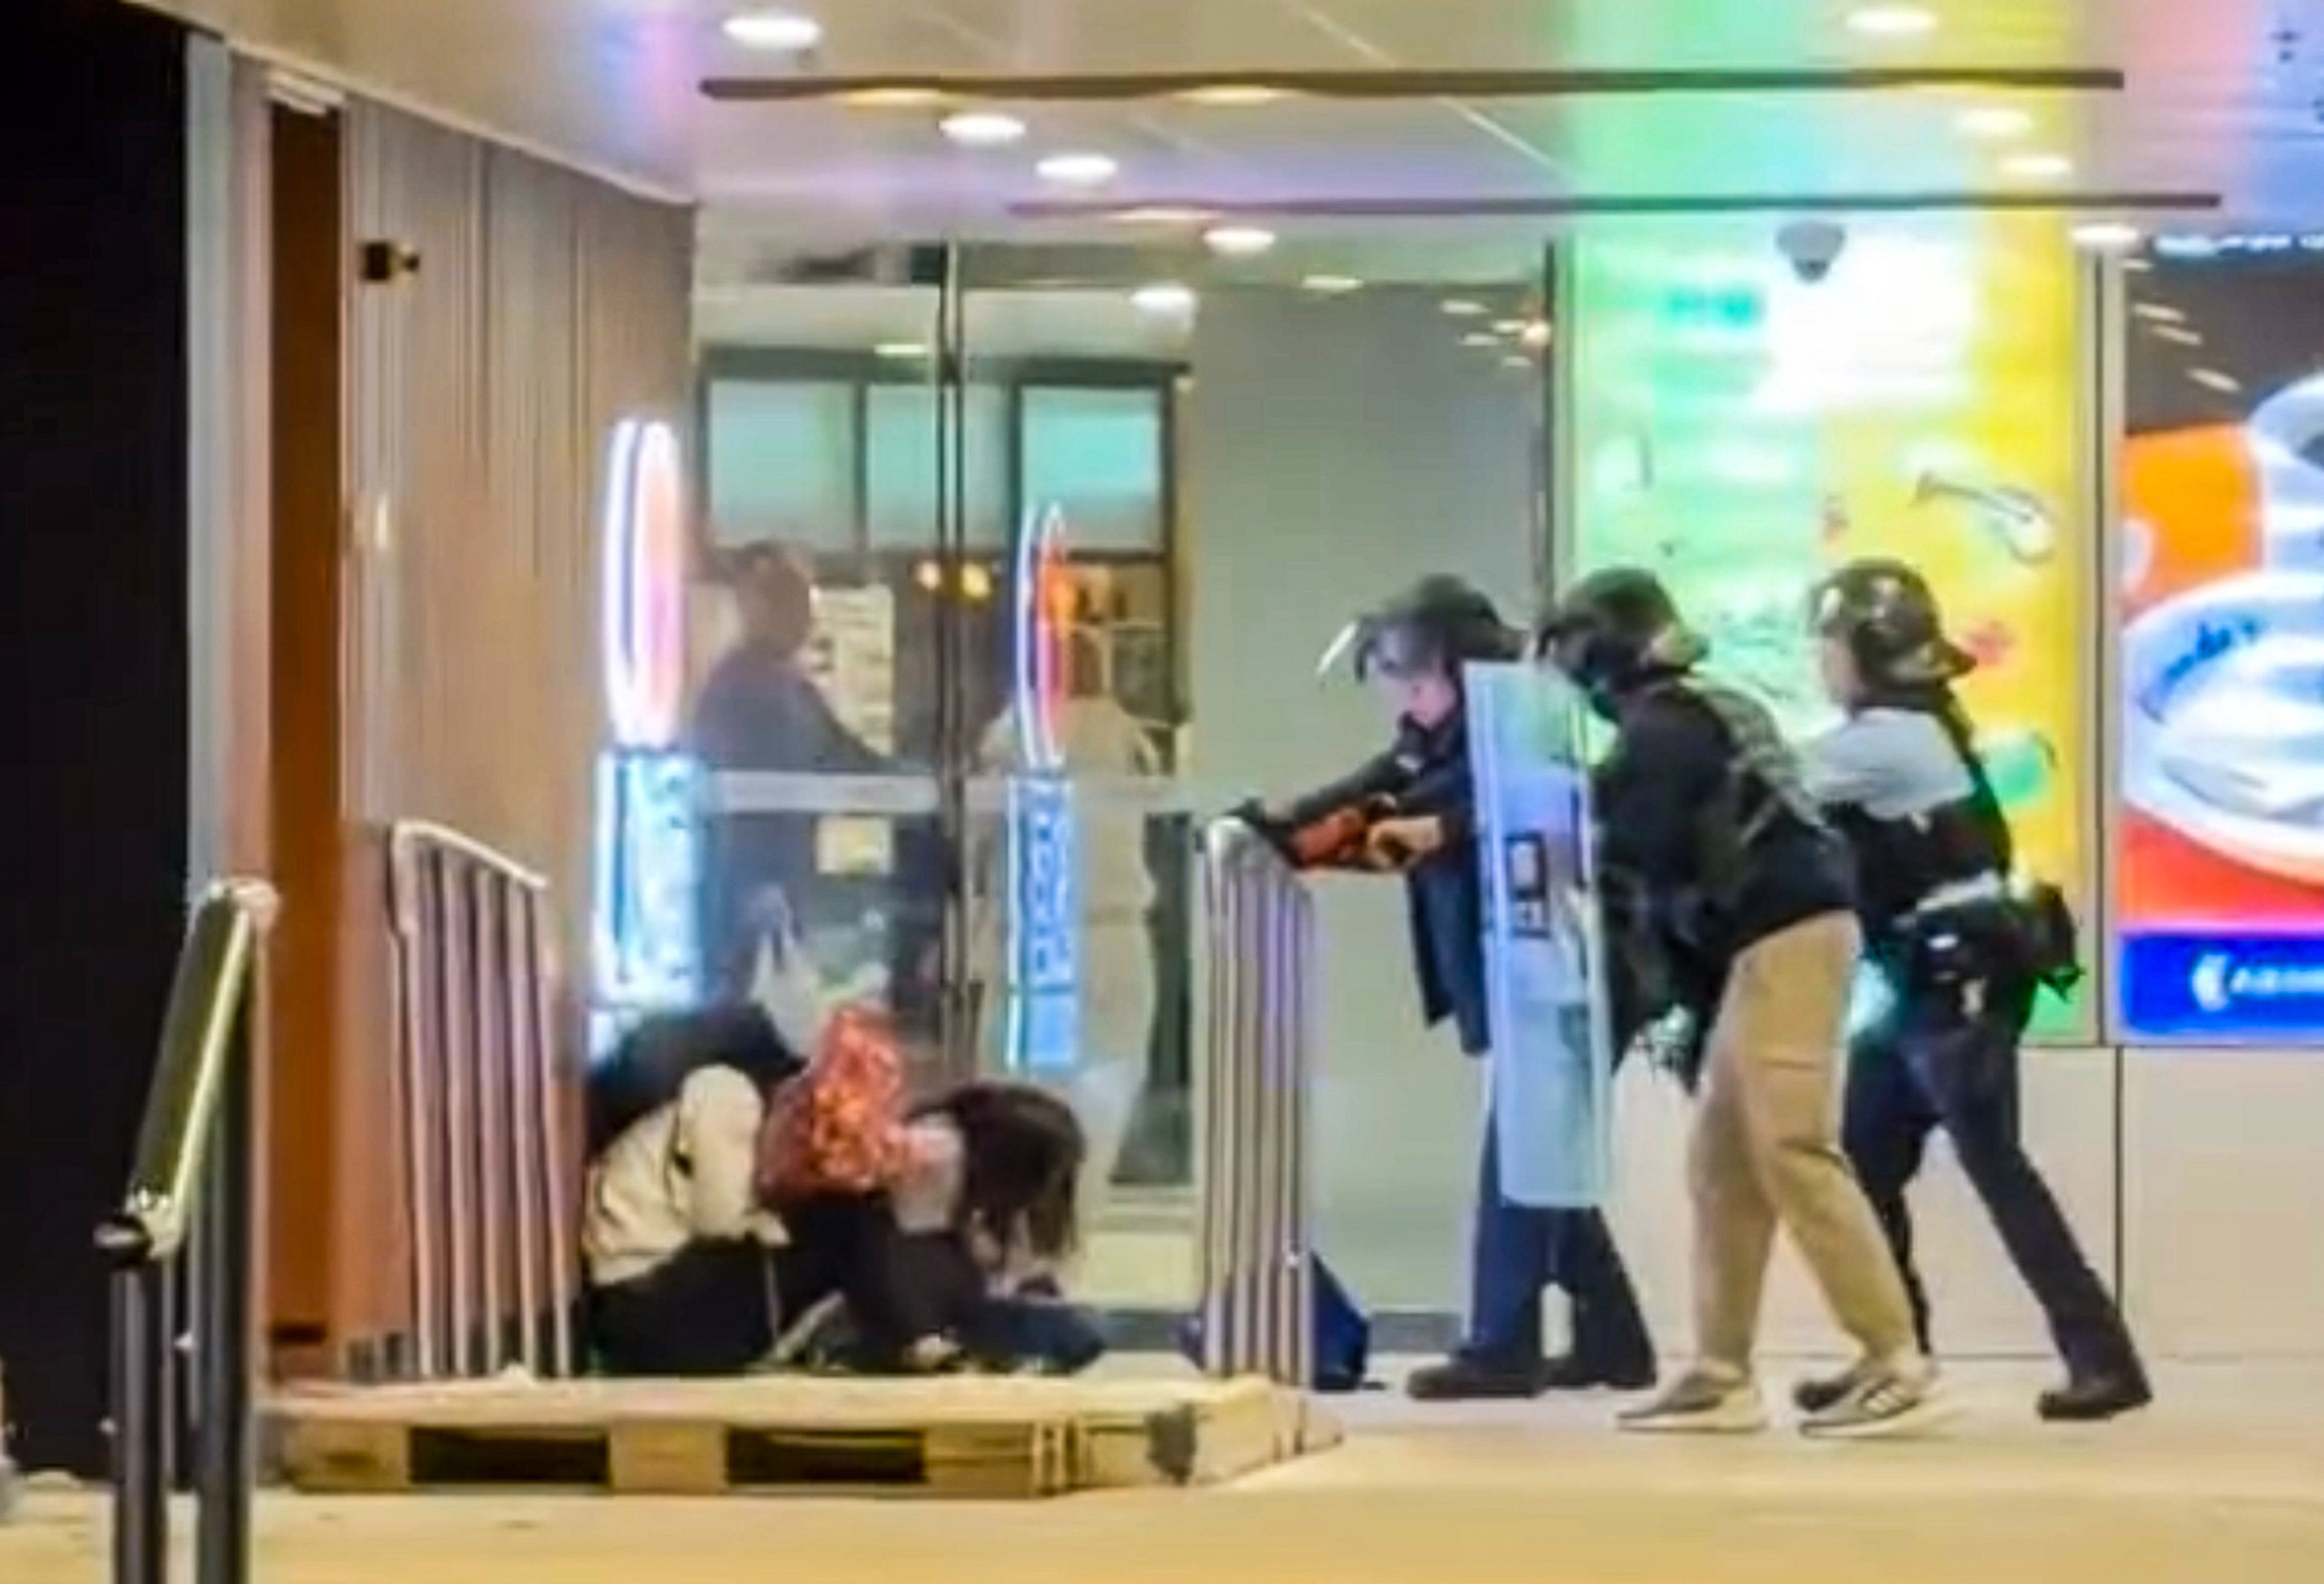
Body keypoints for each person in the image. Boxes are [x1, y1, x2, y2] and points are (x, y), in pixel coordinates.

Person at [1536, 566, 1938, 1436]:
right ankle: (1722, 1371)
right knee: (1723, 1162)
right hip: (1775, 939)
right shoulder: (1689, 715)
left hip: (1787, 934)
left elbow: (1629, 849)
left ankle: (1895, 1357)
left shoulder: (1664, 729)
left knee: (1793, 1143)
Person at [1264, 575, 1657, 1402]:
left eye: (1410, 678)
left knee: (1518, 1156)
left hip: (1563, 970)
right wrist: (1275, 823)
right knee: (1541, 1155)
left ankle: (1501, 1348)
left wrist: (1388, 830)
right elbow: (1380, 786)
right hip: (1527, 972)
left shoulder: (1515, 730)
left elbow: (1480, 811)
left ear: (1451, 667)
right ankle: (1615, 1341)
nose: (1402, 698)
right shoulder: (1444, 740)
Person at [1793, 559, 2150, 1423]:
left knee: (1995, 1168)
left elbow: (1771, 784)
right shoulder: (1912, 728)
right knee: (1866, 1161)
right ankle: (1895, 1351)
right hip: (1929, 978)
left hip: (1957, 980)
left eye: (1830, 646)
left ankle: (2102, 1359)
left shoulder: (1890, 740)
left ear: (1869, 653)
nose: (1821, 662)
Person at [690, 543, 892, 999]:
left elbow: (851, 761)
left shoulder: (794, 690)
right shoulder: (738, 687)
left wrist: (920, 781)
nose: (806, 619)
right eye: (793, 603)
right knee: (747, 999)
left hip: (786, 882)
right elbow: (733, 794)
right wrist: (756, 885)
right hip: (746, 887)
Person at [582, 1004, 803, 1376]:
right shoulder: (728, 1097)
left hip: (622, 1297)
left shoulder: (691, 1101)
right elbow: (718, 1220)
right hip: (642, 1299)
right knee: (832, 1231)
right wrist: (774, 1220)